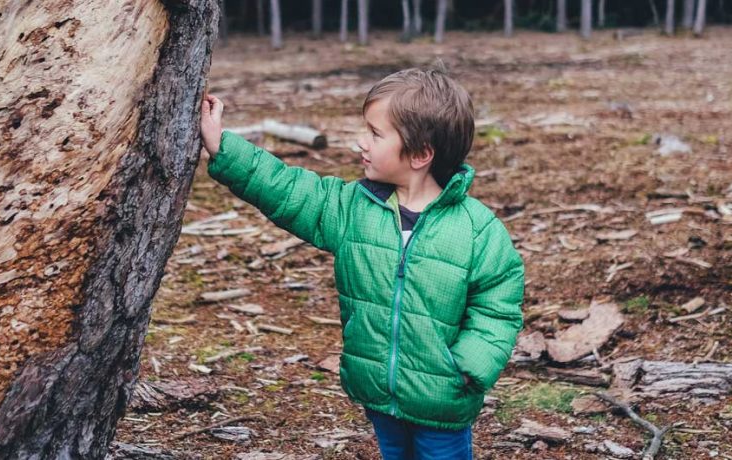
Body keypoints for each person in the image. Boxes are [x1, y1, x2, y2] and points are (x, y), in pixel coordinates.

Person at [199, 67, 524, 459]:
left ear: (420, 154)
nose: (360, 143)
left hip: (443, 398)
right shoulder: (353, 208)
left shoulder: (476, 230)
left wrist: (469, 367)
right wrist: (223, 148)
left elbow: (499, 304)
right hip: (376, 388)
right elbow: (288, 190)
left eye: (375, 133)